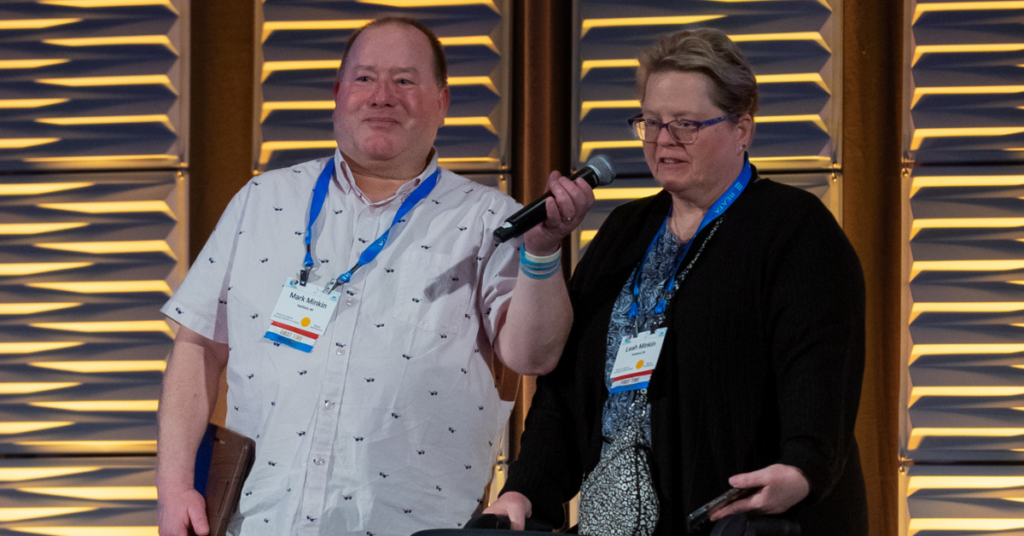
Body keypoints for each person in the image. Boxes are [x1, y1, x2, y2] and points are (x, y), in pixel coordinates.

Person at [155, 17, 594, 536]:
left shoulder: (488, 220)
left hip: (416, 526)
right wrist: (175, 487)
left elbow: (533, 356)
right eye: (365, 78)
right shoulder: (263, 201)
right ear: (339, 94)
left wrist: (541, 252)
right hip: (260, 520)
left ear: (442, 102)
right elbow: (197, 346)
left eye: (405, 81)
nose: (382, 96)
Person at [485, 28, 867, 535]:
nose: (664, 140)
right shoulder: (625, 232)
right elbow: (566, 390)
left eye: (686, 124)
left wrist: (802, 468)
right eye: (651, 122)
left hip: (740, 521)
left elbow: (821, 370)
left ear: (742, 129)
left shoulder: (794, 228)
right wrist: (526, 489)